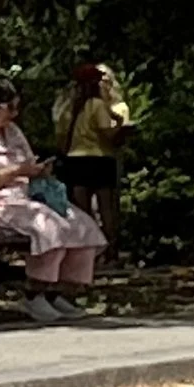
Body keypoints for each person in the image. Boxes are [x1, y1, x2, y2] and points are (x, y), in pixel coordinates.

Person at [0, 77, 107, 322]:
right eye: (9, 107)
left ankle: (57, 291)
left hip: (28, 198)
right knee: (50, 227)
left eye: (17, 108)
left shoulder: (14, 132)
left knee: (81, 224)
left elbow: (28, 163)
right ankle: (34, 293)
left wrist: (39, 171)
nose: (14, 114)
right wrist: (15, 172)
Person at [51, 57, 133, 247]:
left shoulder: (69, 107)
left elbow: (61, 134)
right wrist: (119, 123)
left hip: (75, 161)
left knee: (82, 211)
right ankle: (110, 248)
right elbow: (108, 132)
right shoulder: (96, 104)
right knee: (106, 208)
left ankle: (87, 248)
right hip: (99, 159)